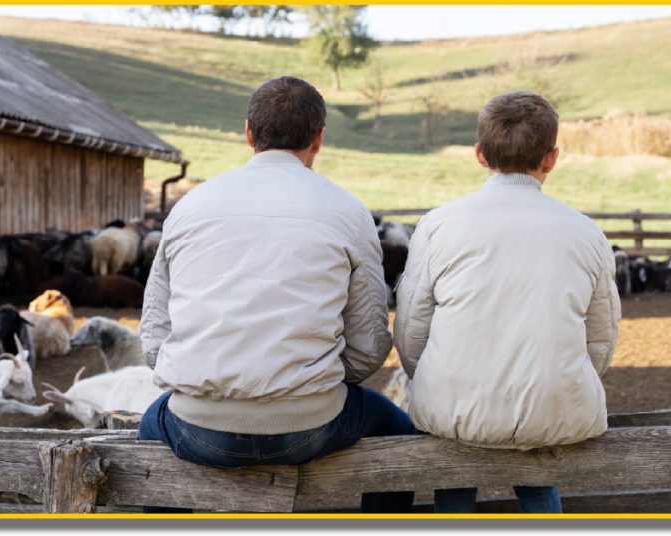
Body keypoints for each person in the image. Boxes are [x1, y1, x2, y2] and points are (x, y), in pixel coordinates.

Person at [137, 76, 417, 513]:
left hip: (199, 430)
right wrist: (310, 379)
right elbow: (370, 344)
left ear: (248, 133)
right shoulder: (348, 211)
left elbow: (154, 336)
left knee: (149, 433)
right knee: (398, 430)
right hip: (311, 426)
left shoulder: (190, 207)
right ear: (319, 139)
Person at [393, 90, 621, 514]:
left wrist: (434, 379)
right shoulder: (586, 233)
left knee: (454, 472)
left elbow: (410, 332)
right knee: (537, 472)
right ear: (551, 158)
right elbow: (601, 338)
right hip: (554, 405)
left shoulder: (437, 227)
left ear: (479, 154)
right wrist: (564, 382)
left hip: (453, 406)